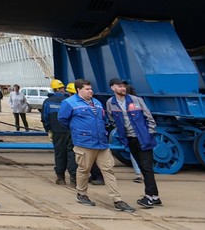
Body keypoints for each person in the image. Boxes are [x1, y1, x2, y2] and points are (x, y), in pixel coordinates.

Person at [58, 79, 133, 212]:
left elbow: (102, 119)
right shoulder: (69, 103)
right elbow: (63, 119)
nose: (90, 91)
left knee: (108, 170)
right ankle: (81, 194)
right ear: (78, 90)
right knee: (84, 169)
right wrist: (78, 130)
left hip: (101, 143)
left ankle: (117, 200)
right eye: (87, 89)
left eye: (91, 88)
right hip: (84, 142)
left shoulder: (97, 103)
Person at [106, 77, 161, 208]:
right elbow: (111, 119)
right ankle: (155, 197)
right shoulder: (111, 103)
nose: (123, 88)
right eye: (119, 86)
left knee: (147, 167)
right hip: (129, 139)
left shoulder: (136, 100)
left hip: (143, 138)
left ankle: (149, 197)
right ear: (113, 88)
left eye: (124, 86)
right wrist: (120, 133)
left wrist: (149, 133)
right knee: (142, 167)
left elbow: (149, 117)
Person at [41, 79, 78, 185]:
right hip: (69, 130)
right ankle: (73, 179)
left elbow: (45, 118)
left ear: (53, 89)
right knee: (72, 154)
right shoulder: (69, 100)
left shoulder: (48, 101)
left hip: (56, 131)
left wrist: (48, 129)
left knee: (59, 154)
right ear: (62, 89)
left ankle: (60, 177)